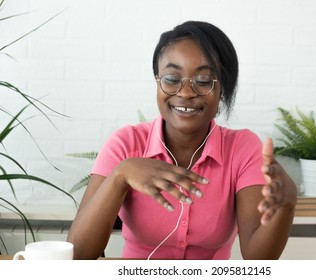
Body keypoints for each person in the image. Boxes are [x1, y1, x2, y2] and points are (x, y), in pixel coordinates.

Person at [67, 20, 297, 260]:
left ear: (222, 91)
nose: (186, 93)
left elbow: (258, 261)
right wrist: (121, 175)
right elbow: (79, 255)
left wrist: (286, 205)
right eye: (172, 79)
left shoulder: (243, 148)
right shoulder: (126, 143)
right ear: (157, 81)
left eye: (204, 80)